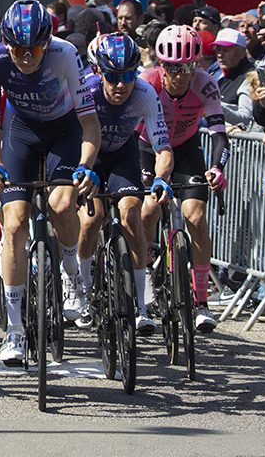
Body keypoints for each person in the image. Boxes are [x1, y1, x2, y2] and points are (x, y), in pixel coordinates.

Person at [0, 0, 100, 366]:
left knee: (62, 204)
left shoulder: (65, 55)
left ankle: (70, 272)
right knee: (14, 222)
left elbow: (90, 125)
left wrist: (86, 165)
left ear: (47, 43)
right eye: (17, 48)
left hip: (64, 130)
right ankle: (14, 330)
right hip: (22, 132)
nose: (25, 57)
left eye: (33, 49)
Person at [77, 33, 174, 336]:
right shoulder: (85, 90)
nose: (121, 84)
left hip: (122, 154)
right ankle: (82, 290)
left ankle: (142, 302)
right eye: (113, 76)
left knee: (132, 216)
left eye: (128, 76)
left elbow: (163, 147)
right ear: (98, 72)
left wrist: (160, 178)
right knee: (92, 220)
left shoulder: (145, 93)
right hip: (86, 155)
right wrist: (81, 168)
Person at [138, 24, 228, 334]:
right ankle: (147, 265)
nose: (178, 74)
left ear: (198, 64)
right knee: (149, 209)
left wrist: (216, 167)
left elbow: (219, 134)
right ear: (160, 63)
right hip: (147, 147)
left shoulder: (206, 86)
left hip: (187, 149)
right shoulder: (147, 83)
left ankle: (201, 301)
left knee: (196, 218)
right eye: (171, 67)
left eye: (187, 67)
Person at [213, 28, 255, 127]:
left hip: (235, 140)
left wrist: (213, 106)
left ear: (241, 52)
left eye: (226, 50)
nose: (220, 55)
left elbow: (246, 119)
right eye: (218, 49)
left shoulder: (250, 77)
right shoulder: (217, 72)